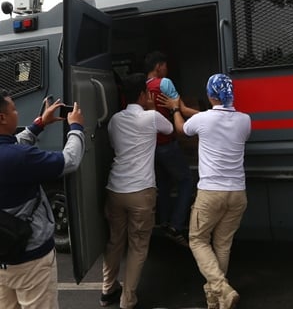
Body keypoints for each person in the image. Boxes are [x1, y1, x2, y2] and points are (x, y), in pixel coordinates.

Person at [158, 73, 251, 309]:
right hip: (238, 193)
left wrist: (175, 109)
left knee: (197, 239)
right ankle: (215, 298)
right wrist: (186, 108)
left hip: (211, 193)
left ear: (210, 95)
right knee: (222, 244)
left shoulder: (204, 121)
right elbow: (213, 118)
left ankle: (222, 288)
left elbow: (181, 129)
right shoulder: (244, 120)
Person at [0, 91, 85, 309]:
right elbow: (70, 161)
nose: (17, 113)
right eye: (14, 109)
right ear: (2, 118)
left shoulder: (13, 155)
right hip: (31, 259)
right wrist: (76, 127)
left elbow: (14, 144)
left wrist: (39, 124)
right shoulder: (19, 157)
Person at [100, 73, 174, 309]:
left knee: (115, 241)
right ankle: (128, 299)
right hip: (141, 191)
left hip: (116, 190)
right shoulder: (151, 117)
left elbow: (114, 145)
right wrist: (154, 108)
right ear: (143, 94)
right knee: (138, 244)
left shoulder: (114, 120)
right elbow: (171, 129)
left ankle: (108, 289)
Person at [145, 51, 197, 246]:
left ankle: (164, 222)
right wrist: (209, 115)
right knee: (185, 180)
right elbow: (181, 109)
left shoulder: (142, 88)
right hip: (167, 143)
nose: (167, 69)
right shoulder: (165, 83)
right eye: (165, 66)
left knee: (164, 184)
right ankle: (176, 225)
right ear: (159, 66)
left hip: (151, 147)